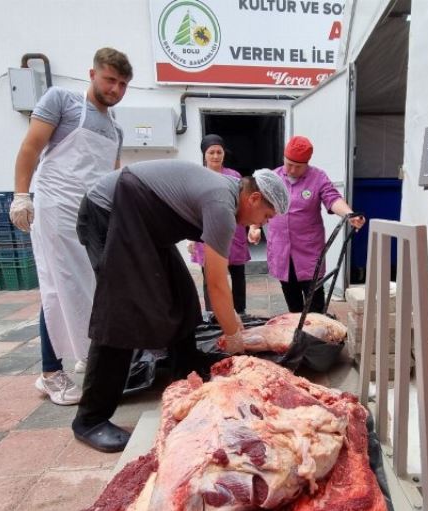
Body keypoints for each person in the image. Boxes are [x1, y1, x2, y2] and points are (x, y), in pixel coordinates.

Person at [72, 160, 289, 452]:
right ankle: (90, 419)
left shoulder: (227, 195)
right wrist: (234, 335)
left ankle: (186, 367)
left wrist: (233, 324)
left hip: (144, 225)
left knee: (182, 295)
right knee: (124, 310)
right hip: (109, 214)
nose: (262, 223)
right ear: (253, 198)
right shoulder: (221, 206)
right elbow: (216, 282)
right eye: (266, 215)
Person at [8, 48, 132, 406]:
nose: (116, 89)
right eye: (110, 80)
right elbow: (30, 148)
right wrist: (21, 195)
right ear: (92, 74)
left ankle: (85, 353)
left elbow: (113, 175)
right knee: (59, 289)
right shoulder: (61, 101)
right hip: (58, 207)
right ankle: (50, 373)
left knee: (92, 289)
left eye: (123, 84)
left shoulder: (115, 129)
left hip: (93, 215)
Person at [249, 135, 365, 314]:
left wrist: (349, 214)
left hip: (309, 252)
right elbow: (259, 205)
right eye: (289, 164)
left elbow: (332, 198)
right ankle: (298, 334)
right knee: (293, 304)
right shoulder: (274, 178)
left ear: (307, 163)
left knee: (315, 305)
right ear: (283, 158)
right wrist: (254, 227)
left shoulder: (317, 177)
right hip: (281, 251)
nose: (293, 169)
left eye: (298, 166)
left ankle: (315, 338)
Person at [188, 134, 250, 315]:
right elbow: (190, 207)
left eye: (219, 152)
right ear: (204, 155)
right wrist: (189, 238)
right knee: (211, 277)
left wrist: (252, 227)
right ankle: (212, 313)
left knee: (238, 275)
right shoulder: (196, 176)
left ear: (224, 154)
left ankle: (240, 311)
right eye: (211, 152)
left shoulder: (234, 176)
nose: (215, 156)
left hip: (233, 232)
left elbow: (244, 203)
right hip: (205, 232)